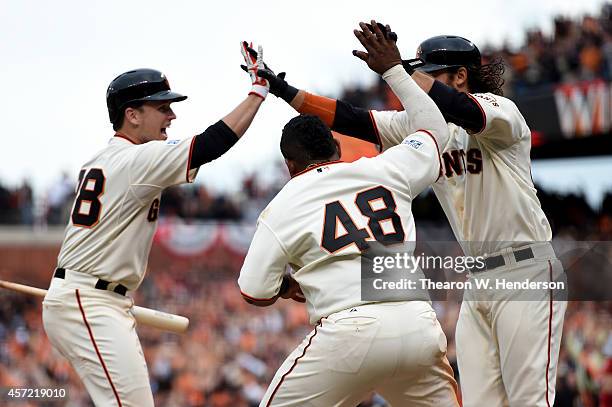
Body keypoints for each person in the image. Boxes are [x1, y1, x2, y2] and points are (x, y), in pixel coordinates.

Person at [255, 24, 567, 407]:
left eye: (427, 73)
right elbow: (351, 119)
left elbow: (463, 109)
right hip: (477, 278)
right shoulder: (419, 128)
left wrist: (395, 69)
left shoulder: (502, 112)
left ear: (460, 76)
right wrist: (284, 91)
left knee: (529, 400)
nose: (415, 83)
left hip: (527, 271)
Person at [238, 24, 459, 407]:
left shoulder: (284, 203)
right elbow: (434, 128)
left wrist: (287, 287)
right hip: (417, 322)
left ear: (290, 164)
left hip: (349, 331)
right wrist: (394, 70)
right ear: (337, 147)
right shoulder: (385, 168)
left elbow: (253, 289)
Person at [42, 42, 270, 406]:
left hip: (92, 298)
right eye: (162, 107)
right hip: (91, 300)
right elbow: (211, 144)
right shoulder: (137, 158)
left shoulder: (106, 157)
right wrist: (258, 92)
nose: (172, 116)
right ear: (132, 115)